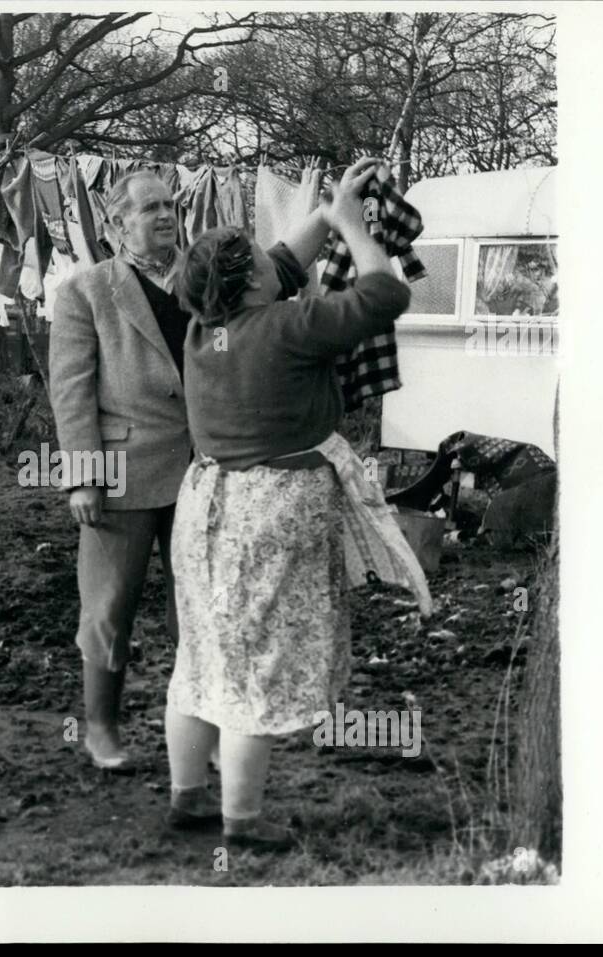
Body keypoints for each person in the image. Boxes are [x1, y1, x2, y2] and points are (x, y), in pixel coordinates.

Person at [164, 157, 417, 849]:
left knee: (204, 658)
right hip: (273, 507)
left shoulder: (203, 331)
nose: (281, 262)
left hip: (206, 504)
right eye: (260, 262)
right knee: (259, 665)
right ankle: (242, 821)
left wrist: (334, 206)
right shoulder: (288, 327)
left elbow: (281, 258)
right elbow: (384, 294)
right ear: (250, 282)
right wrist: (351, 227)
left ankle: (189, 797)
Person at [48, 170, 191, 772]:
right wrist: (82, 474)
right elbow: (71, 389)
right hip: (121, 472)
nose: (165, 216)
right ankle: (101, 728)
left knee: (199, 609)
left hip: (200, 471)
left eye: (170, 205)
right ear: (115, 224)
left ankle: (198, 735)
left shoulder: (204, 278)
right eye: (150, 208)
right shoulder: (87, 291)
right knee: (108, 607)